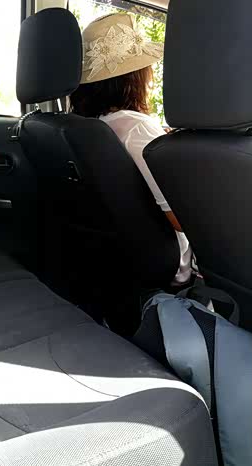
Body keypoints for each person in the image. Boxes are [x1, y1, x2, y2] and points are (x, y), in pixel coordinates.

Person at [70, 13, 194, 285]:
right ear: (135, 77)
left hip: (116, 258)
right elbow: (182, 218)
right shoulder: (137, 129)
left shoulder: (86, 127)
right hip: (172, 267)